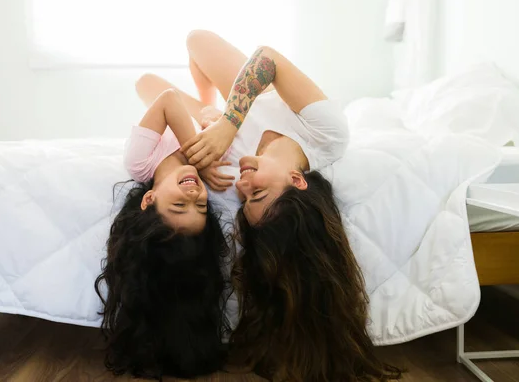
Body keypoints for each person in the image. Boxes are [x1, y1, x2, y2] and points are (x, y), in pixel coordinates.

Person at [137, 30, 401, 381]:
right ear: (297, 181)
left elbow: (150, 89)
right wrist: (229, 123)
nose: (243, 185)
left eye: (245, 199)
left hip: (228, 117)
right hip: (254, 99)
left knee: (146, 82)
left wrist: (208, 122)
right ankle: (213, 103)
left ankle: (209, 105)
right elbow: (267, 58)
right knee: (197, 39)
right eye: (258, 194)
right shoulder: (327, 135)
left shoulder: (231, 166)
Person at [94, 89, 232, 379]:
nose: (194, 193)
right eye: (202, 205)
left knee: (146, 82)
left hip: (177, 108)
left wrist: (200, 159)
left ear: (149, 200)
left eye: (180, 204)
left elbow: (168, 99)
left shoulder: (140, 162)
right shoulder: (209, 168)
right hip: (197, 113)